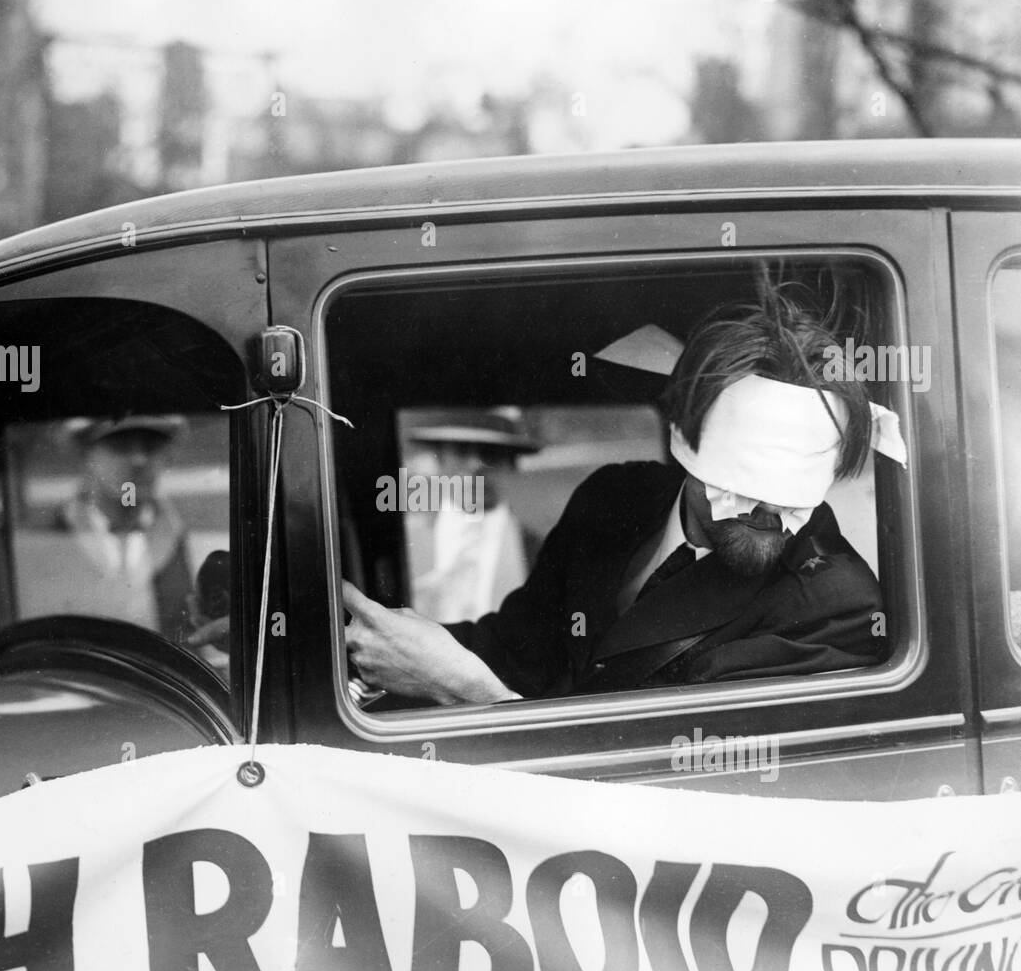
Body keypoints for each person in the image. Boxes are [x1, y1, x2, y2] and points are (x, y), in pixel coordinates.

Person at [343, 283, 906, 706]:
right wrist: (393, 645)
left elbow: (662, 798)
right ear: (683, 436)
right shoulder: (613, 502)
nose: (766, 510)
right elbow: (519, 650)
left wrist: (459, 686)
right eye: (744, 479)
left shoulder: (839, 612)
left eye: (791, 491)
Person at [55, 415, 194, 638]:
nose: (139, 460)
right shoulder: (53, 534)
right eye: (119, 445)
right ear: (86, 454)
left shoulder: (175, 533)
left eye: (151, 446)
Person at [406, 408, 543, 623]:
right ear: (439, 459)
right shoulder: (406, 542)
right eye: (461, 451)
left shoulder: (537, 551)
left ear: (512, 464)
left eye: (490, 453)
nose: (475, 465)